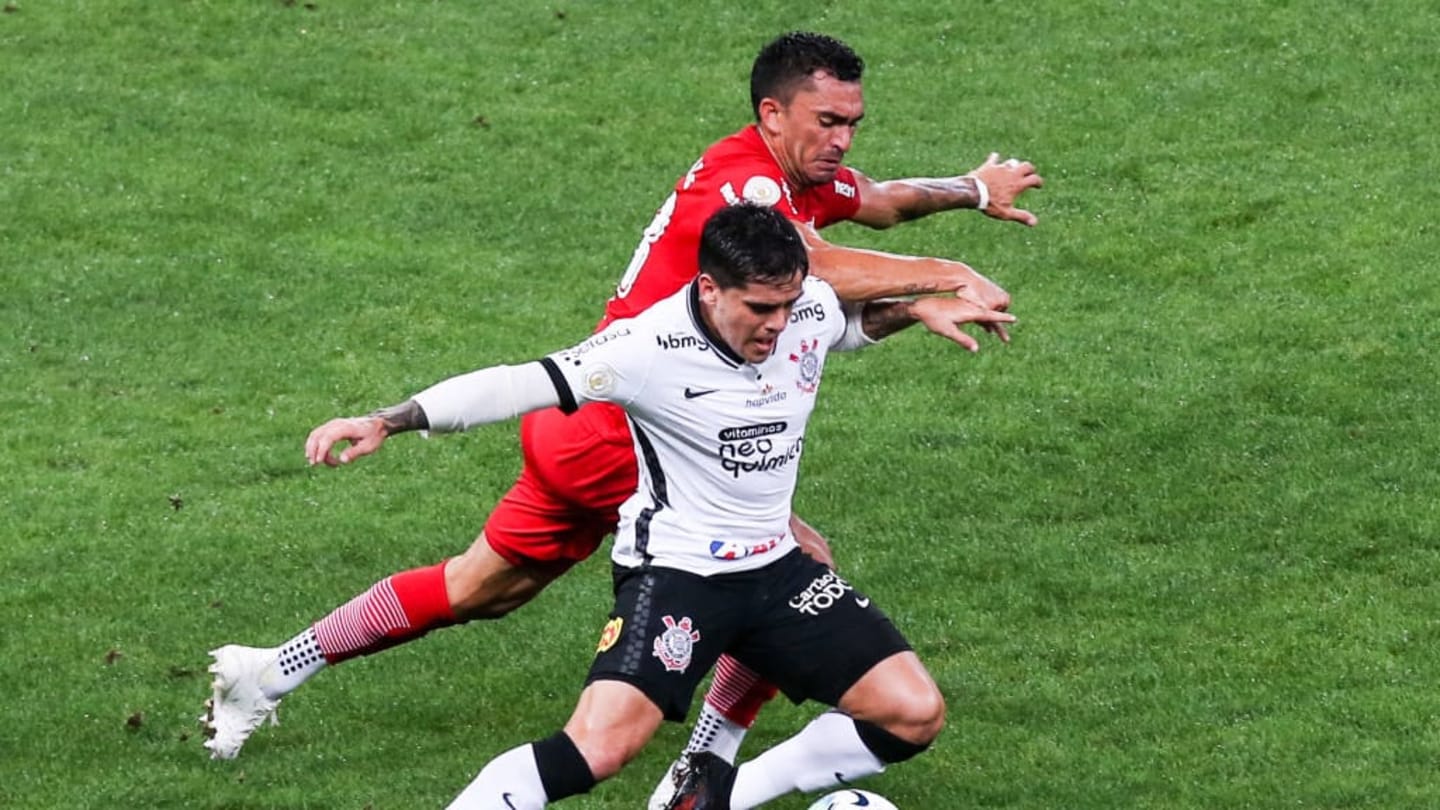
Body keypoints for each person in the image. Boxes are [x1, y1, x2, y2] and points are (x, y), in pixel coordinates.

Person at [201, 30, 1042, 762]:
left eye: (852, 122)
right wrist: (951, 275)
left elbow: (886, 203)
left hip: (585, 421)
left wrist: (971, 190)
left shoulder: (790, 176)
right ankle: (701, 772)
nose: (842, 138)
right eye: (828, 122)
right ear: (772, 113)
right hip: (634, 429)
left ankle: (268, 669)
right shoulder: (745, 190)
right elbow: (814, 268)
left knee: (480, 588)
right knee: (791, 565)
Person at [305, 204, 1016, 808]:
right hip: (679, 573)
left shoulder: (803, 310)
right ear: (709, 289)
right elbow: (515, 384)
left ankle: (719, 792)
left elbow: (843, 327)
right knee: (599, 748)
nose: (778, 326)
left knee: (913, 714)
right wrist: (387, 420)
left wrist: (916, 308)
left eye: (789, 305)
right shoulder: (647, 347)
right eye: (760, 310)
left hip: (777, 569)